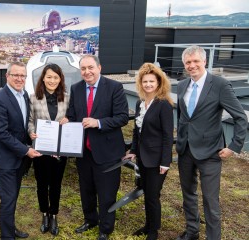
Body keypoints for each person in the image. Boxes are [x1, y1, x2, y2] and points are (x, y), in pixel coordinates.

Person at [176, 45, 248, 240]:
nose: (192, 66)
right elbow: (182, 116)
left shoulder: (219, 85)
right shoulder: (182, 85)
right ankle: (192, 232)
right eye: (188, 62)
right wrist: (180, 140)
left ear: (204, 61)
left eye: (195, 61)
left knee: (210, 200)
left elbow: (241, 117)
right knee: (188, 195)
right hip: (186, 150)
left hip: (210, 153)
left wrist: (234, 147)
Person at [66, 55, 130, 240]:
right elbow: (73, 114)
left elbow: (122, 117)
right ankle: (90, 220)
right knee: (86, 189)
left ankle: (106, 228)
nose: (87, 72)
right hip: (83, 151)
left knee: (107, 192)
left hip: (107, 152)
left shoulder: (114, 87)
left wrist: (98, 123)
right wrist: (67, 120)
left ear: (99, 67)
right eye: (83, 68)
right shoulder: (76, 88)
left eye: (90, 67)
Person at [0, 62, 42, 240]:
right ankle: (7, 236)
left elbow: (22, 124)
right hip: (4, 160)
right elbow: (2, 133)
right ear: (7, 76)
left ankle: (10, 228)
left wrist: (31, 134)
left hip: (19, 158)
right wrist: (26, 150)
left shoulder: (24, 94)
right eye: (16, 75)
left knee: (13, 197)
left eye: (23, 75)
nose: (20, 78)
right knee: (8, 200)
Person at [123, 63, 174, 240]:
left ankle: (154, 231)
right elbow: (138, 131)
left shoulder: (164, 105)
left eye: (152, 81)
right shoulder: (139, 103)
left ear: (159, 83)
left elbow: (168, 136)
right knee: (147, 192)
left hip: (157, 160)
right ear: (140, 83)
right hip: (142, 158)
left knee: (153, 196)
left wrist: (165, 162)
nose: (148, 85)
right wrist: (133, 150)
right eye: (145, 81)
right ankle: (148, 225)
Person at [28, 63, 69, 236]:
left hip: (59, 150)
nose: (52, 80)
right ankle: (44, 213)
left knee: (56, 184)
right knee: (41, 184)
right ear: (43, 78)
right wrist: (31, 132)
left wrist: (68, 120)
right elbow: (30, 120)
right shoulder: (33, 97)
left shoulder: (67, 98)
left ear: (60, 80)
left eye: (56, 77)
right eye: (49, 76)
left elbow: (72, 119)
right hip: (40, 150)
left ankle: (54, 214)